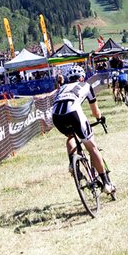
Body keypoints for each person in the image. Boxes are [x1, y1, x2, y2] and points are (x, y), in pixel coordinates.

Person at [51, 65, 114, 194]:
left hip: (56, 115)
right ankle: (106, 183)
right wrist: (100, 118)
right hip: (73, 112)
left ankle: (71, 164)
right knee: (92, 148)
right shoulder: (86, 85)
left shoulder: (62, 88)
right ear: (82, 77)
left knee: (70, 136)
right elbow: (95, 111)